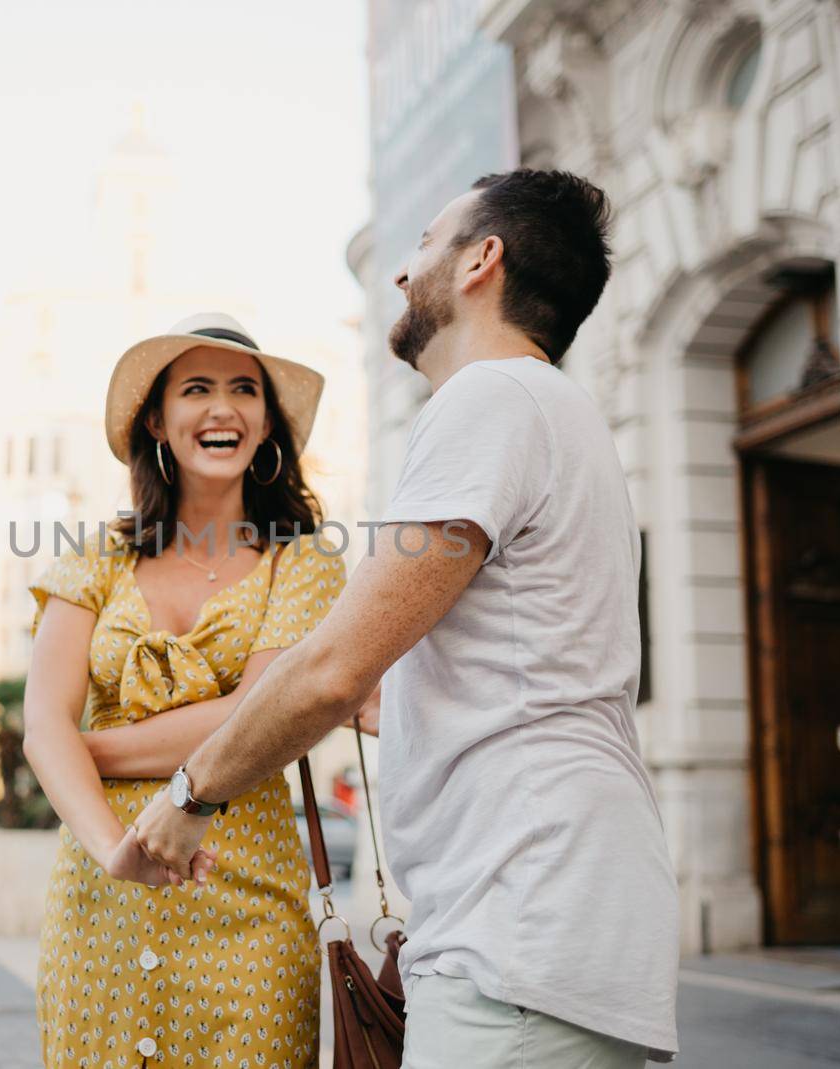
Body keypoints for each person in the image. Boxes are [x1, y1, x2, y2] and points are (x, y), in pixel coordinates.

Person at [124, 171, 681, 1066]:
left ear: (480, 261)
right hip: (547, 920)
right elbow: (462, 669)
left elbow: (332, 665)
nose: (401, 272)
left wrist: (191, 793)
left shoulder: (490, 397)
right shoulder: (550, 410)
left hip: (523, 929)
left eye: (424, 243)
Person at [22, 313, 350, 1067]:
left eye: (243, 390)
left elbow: (260, 715)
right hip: (96, 914)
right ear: (157, 420)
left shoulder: (302, 563)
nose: (221, 408)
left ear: (267, 423)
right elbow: (41, 722)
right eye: (196, 389)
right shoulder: (96, 556)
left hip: (249, 917)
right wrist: (113, 850)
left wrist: (86, 750)